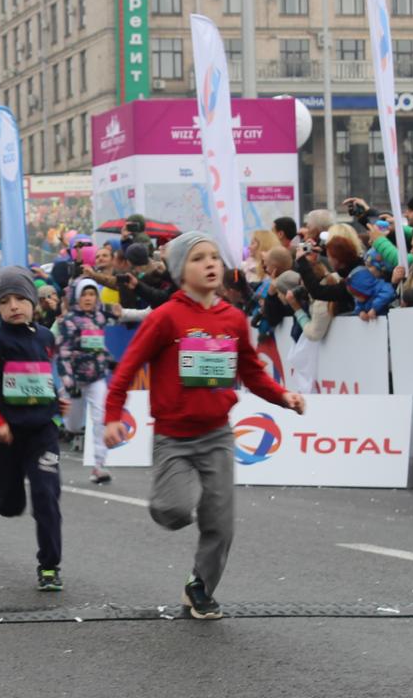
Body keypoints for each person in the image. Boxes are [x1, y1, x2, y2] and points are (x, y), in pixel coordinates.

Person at [103, 232, 306, 620]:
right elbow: (128, 366)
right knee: (174, 510)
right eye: (199, 258)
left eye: (215, 256)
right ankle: (177, 501)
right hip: (174, 437)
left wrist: (284, 396)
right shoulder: (165, 317)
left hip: (217, 435)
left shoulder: (232, 318)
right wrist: (113, 414)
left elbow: (250, 371)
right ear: (181, 271)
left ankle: (199, 587)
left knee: (221, 524)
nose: (211, 264)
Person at [0, 267, 70, 590]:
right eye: (4, 301)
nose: (13, 306)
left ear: (33, 302)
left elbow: (45, 378)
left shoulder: (47, 338)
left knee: (46, 495)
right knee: (9, 505)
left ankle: (49, 565)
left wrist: (55, 402)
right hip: (5, 436)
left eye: (20, 298)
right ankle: (6, 494)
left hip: (42, 434)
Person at [55, 277, 123, 484]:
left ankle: (99, 466)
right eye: (84, 294)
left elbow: (97, 344)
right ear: (77, 296)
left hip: (96, 378)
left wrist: (111, 362)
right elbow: (63, 352)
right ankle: (65, 422)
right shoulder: (68, 321)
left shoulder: (100, 318)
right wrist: (68, 382)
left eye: (92, 294)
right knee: (74, 425)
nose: (88, 298)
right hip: (74, 380)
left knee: (101, 417)